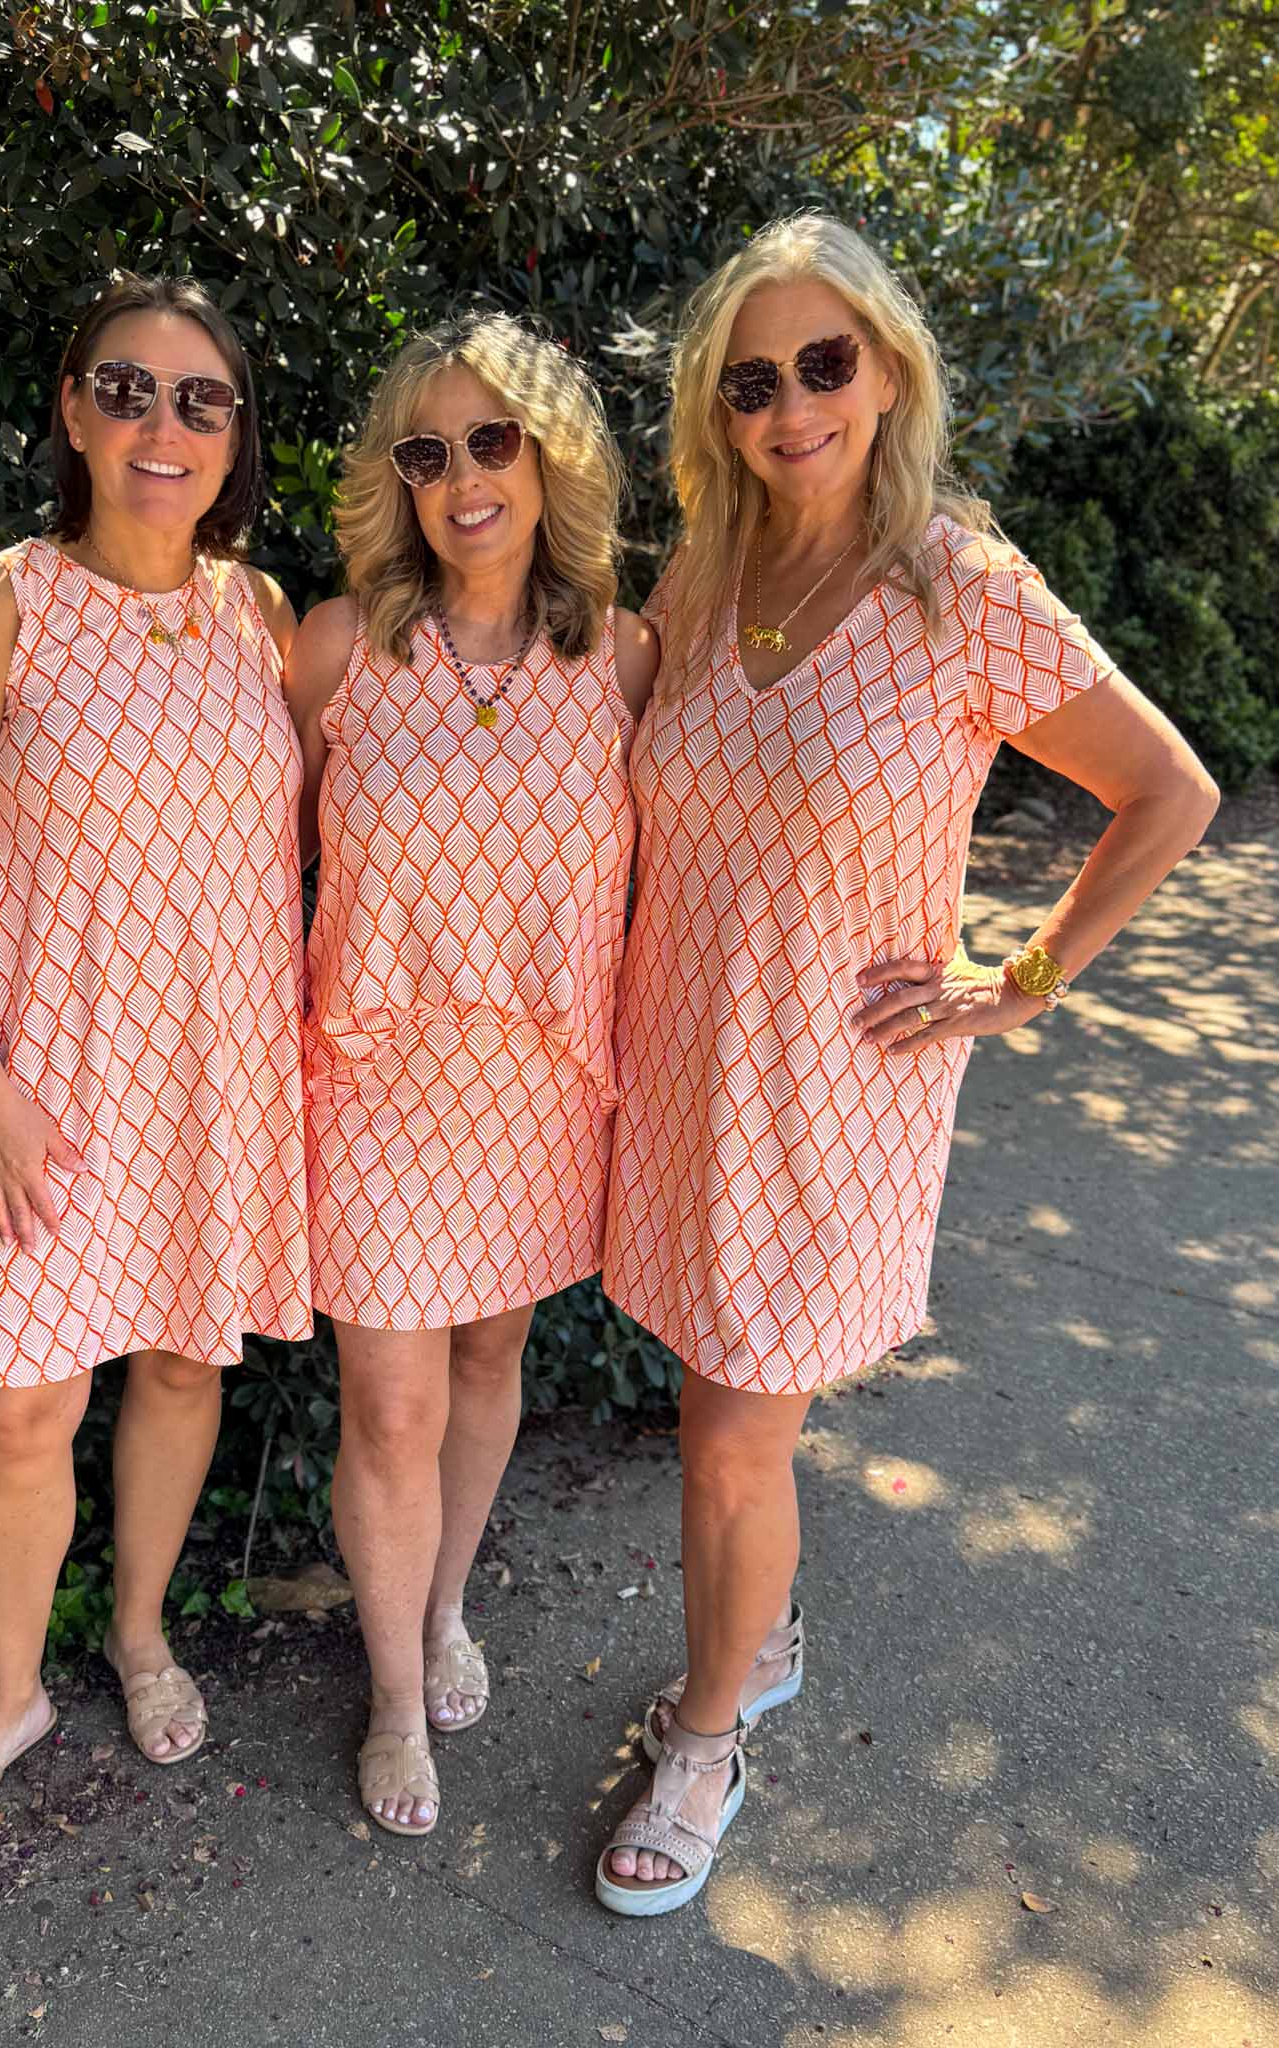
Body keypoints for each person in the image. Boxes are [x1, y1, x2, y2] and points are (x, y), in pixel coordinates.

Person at [596, 213, 1219, 1915]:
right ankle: (759, 1637)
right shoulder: (703, 580)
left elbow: (1166, 791)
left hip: (834, 1092)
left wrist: (1018, 980)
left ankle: (707, 1741)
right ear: (715, 413)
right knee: (715, 1413)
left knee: (728, 1434)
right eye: (750, 383)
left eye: (823, 363)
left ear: (886, 371)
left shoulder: (961, 587)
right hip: (686, 1071)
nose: (789, 406)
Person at [0, 274, 310, 1855]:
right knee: (18, 1411)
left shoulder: (263, 616)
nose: (161, 426)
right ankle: (9, 1700)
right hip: (42, 1082)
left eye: (200, 400)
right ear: (71, 410)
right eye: (126, 389)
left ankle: (137, 1633)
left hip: (217, 1076)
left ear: (234, 437)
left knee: (185, 1368)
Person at [287, 314, 658, 1836]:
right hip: (375, 1080)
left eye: (490, 441)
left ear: (550, 455)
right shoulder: (338, 647)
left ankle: (443, 1607)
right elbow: (255, 868)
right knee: (388, 1407)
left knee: (492, 1363)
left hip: (539, 1088)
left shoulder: (625, 654)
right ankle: (391, 1700)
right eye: (425, 452)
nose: (461, 478)